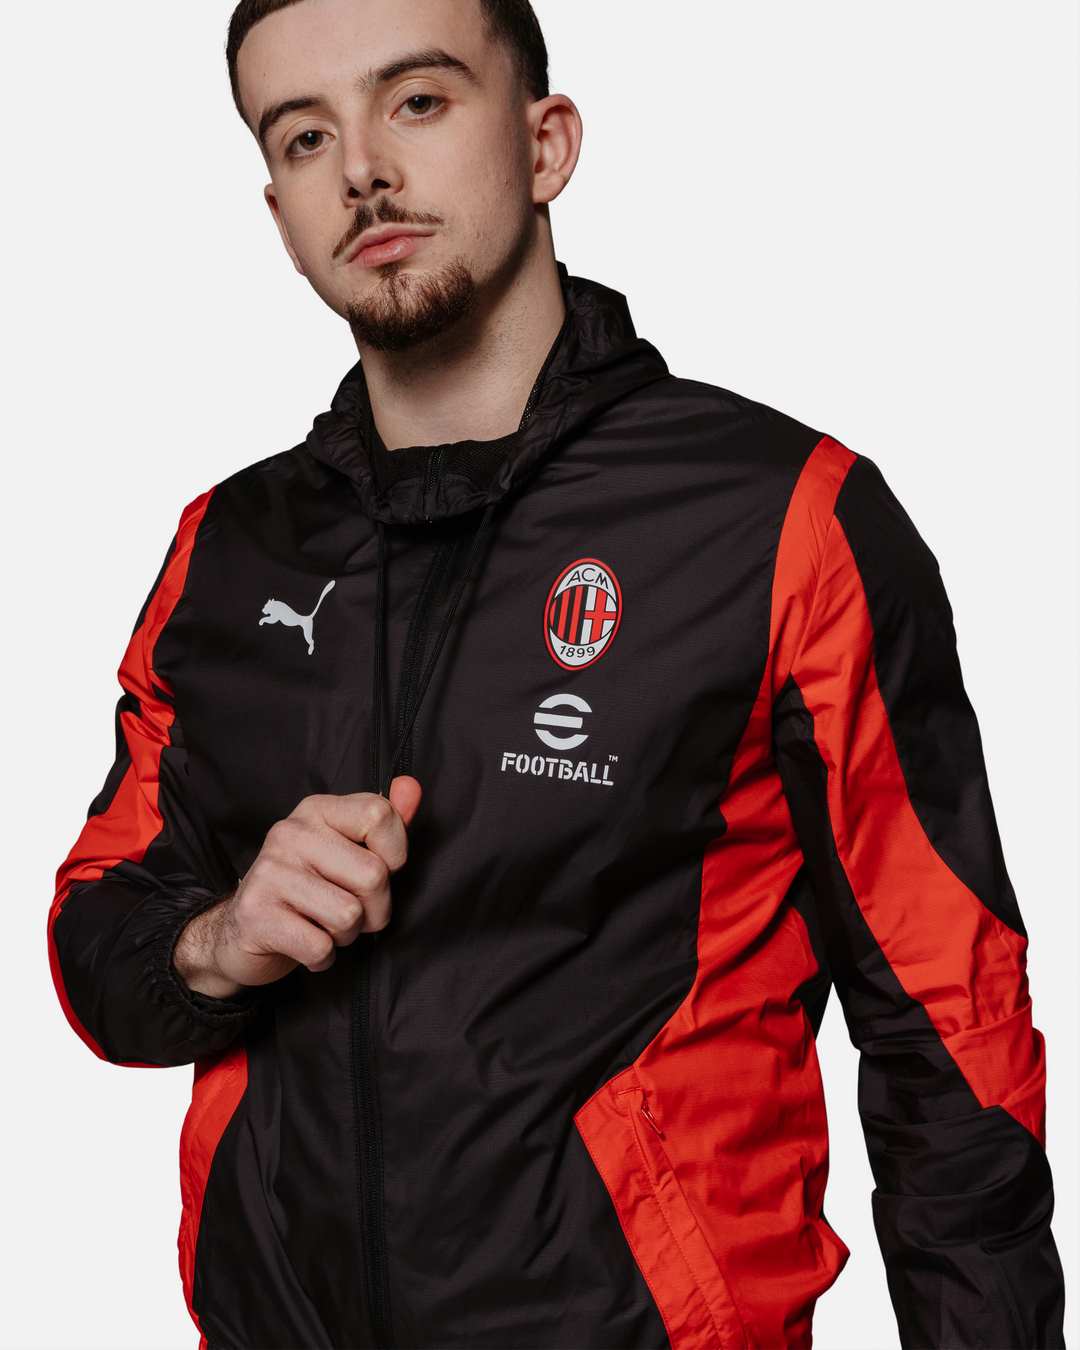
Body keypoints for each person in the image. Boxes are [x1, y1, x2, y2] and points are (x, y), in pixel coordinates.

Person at [47, 1, 1067, 1347]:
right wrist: (219, 941)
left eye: (417, 101)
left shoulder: (782, 520)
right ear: (278, 206)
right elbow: (97, 943)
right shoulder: (225, 550)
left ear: (546, 144)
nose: (362, 168)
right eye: (303, 136)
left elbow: (950, 1026)